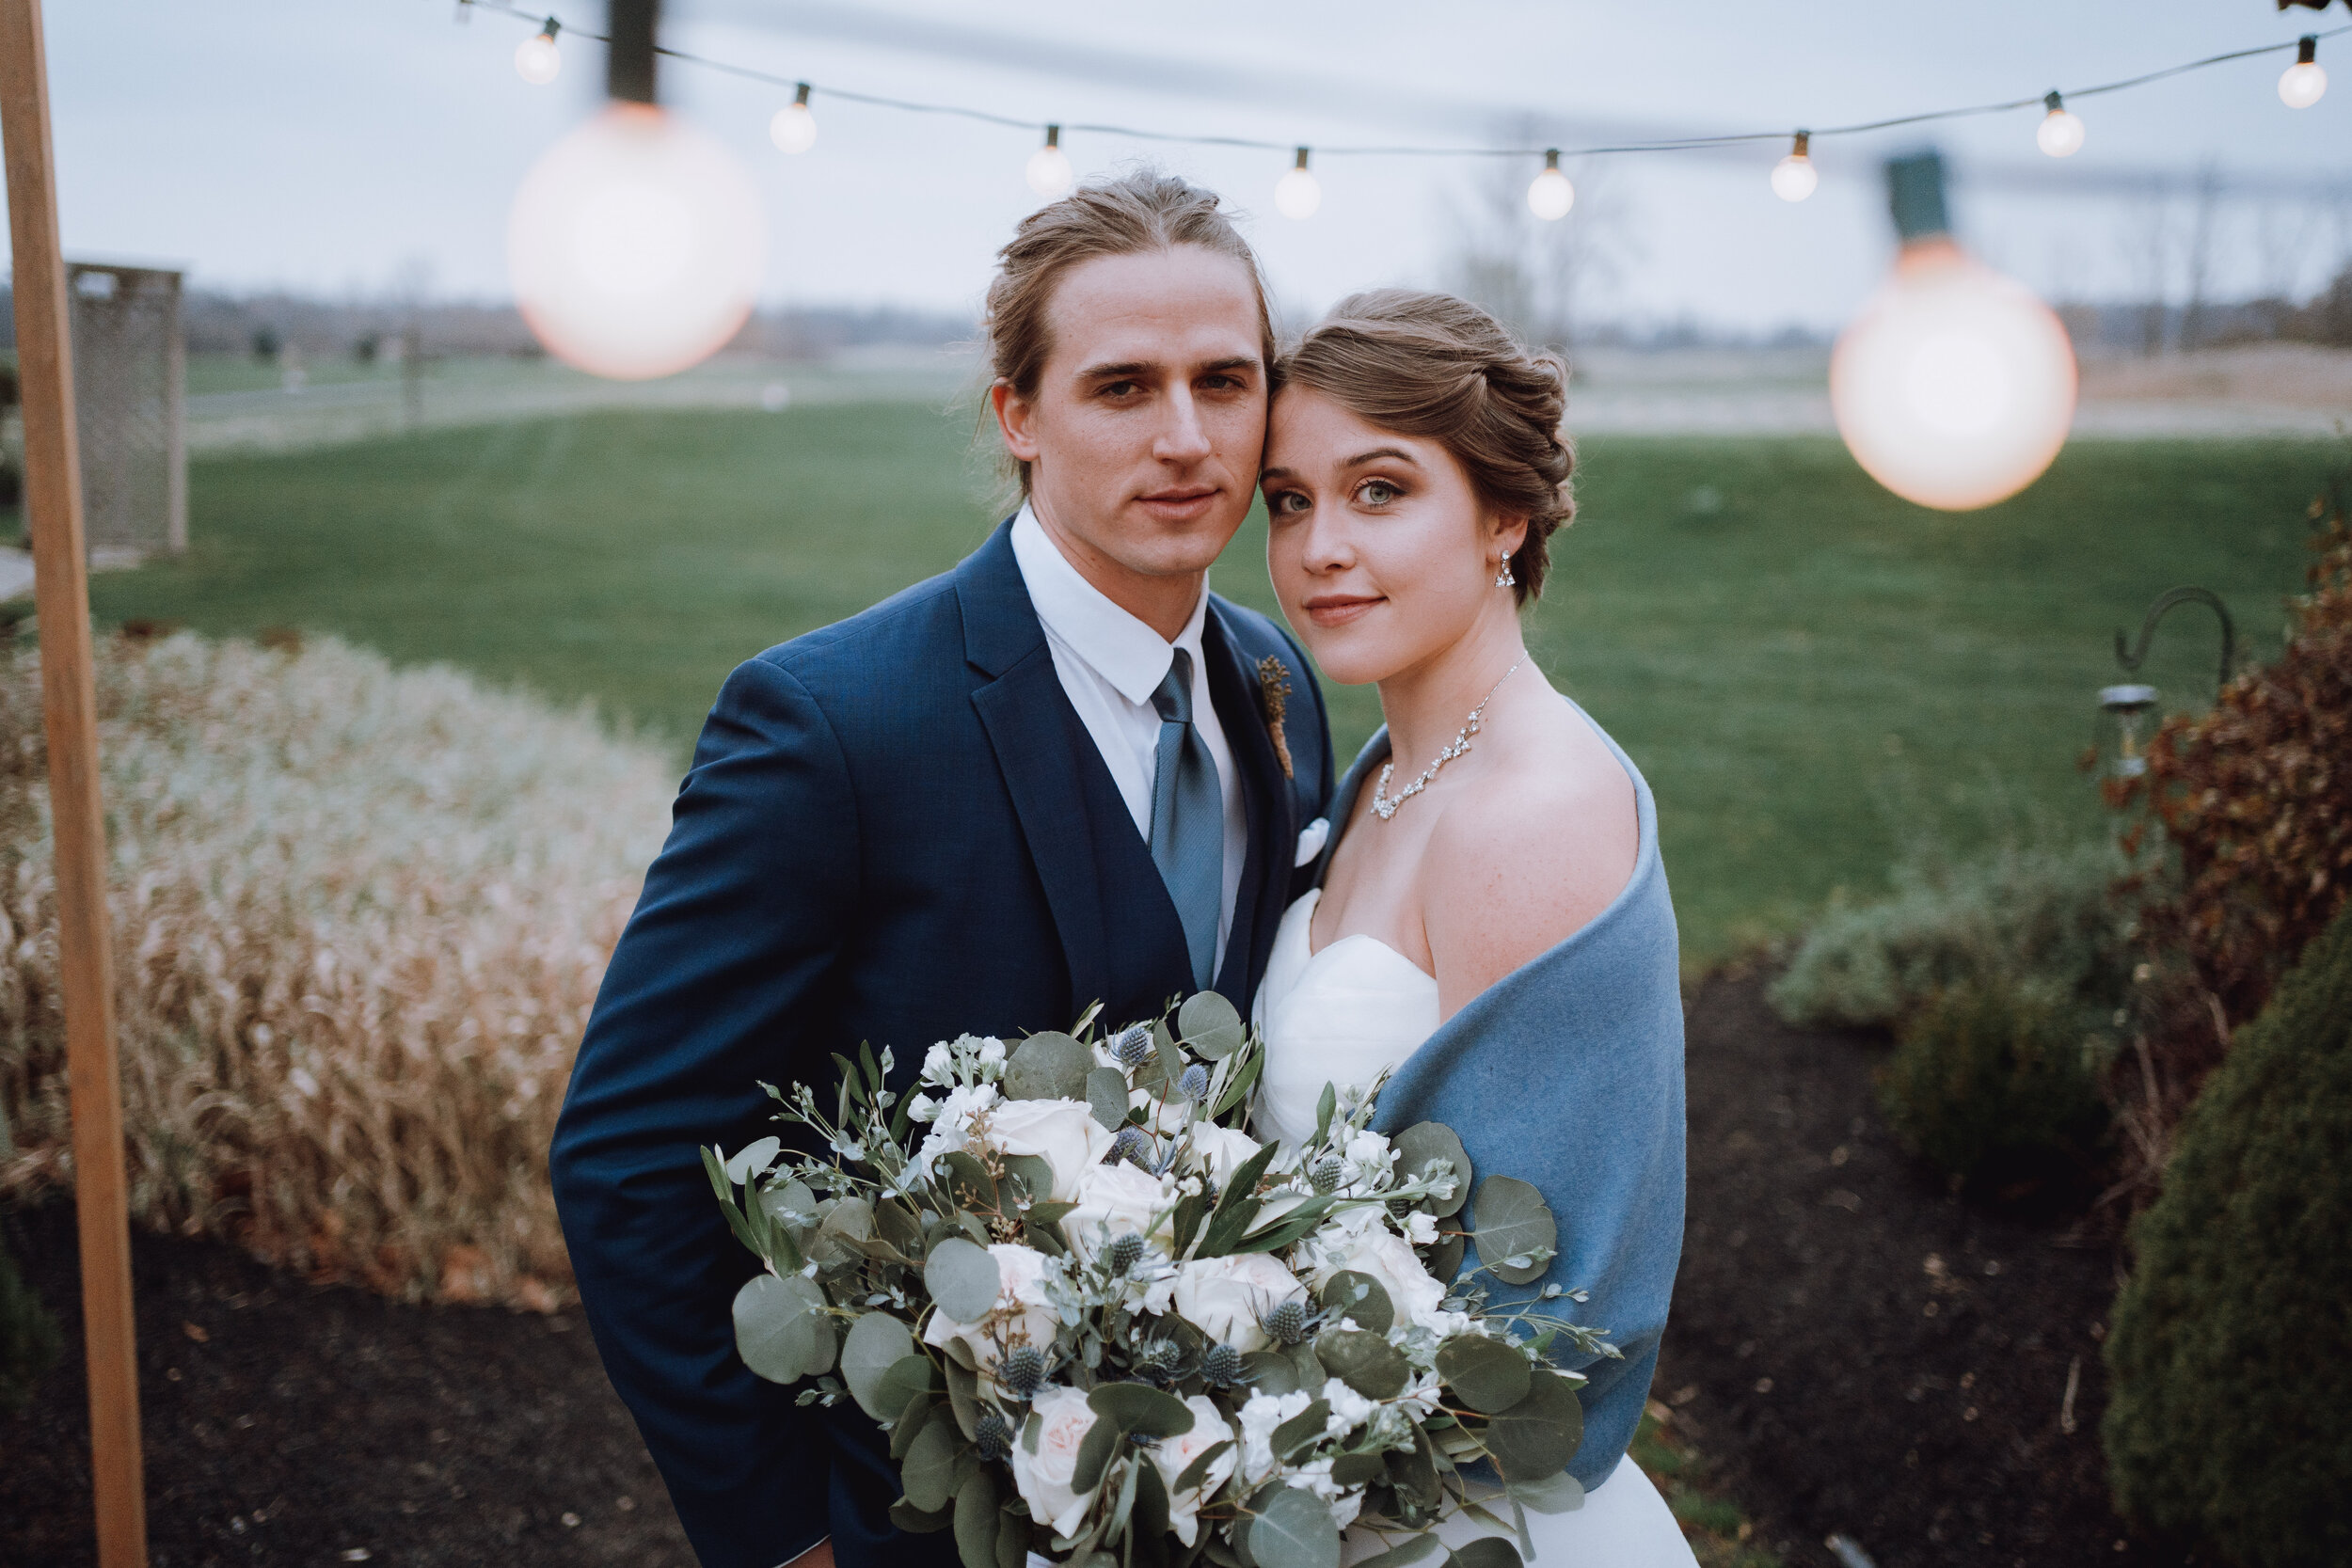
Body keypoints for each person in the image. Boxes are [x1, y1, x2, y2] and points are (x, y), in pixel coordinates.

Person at [548, 171, 1334, 1568]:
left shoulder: (1278, 684)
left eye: (1226, 381)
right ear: (1018, 415)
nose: (1186, 438)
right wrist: (784, 1535)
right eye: (1122, 388)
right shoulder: (832, 726)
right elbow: (625, 1159)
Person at [1252, 290, 1694, 1564]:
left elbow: (1544, 1311)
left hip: (1468, 1522)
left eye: (1379, 490)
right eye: (1289, 500)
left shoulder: (1531, 809)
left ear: (1504, 514)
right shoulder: (1388, 774)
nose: (1320, 545)